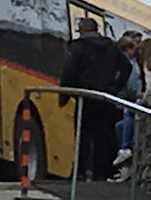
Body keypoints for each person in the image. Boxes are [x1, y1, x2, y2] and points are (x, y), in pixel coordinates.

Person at [60, 17, 132, 181]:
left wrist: (64, 95)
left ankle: (79, 172)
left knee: (82, 136)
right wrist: (115, 87)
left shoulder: (78, 48)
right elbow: (126, 67)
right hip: (105, 98)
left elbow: (69, 72)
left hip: (85, 97)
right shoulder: (111, 46)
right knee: (104, 136)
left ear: (82, 31)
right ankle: (102, 172)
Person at [110, 36, 143, 183]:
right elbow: (132, 84)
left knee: (122, 127)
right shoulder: (128, 64)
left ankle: (124, 160)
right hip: (126, 101)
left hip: (128, 102)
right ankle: (124, 163)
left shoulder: (131, 63)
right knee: (121, 127)